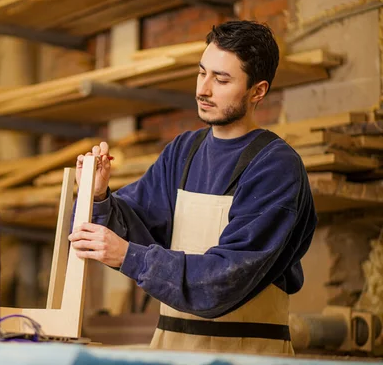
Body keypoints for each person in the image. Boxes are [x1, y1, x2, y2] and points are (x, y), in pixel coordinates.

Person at [68, 20, 317, 355]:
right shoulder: (183, 152)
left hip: (247, 355)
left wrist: (129, 257)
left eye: (221, 79)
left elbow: (223, 280)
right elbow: (135, 225)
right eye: (202, 73)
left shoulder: (275, 168)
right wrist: (98, 196)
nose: (203, 89)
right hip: (172, 351)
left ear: (258, 91)